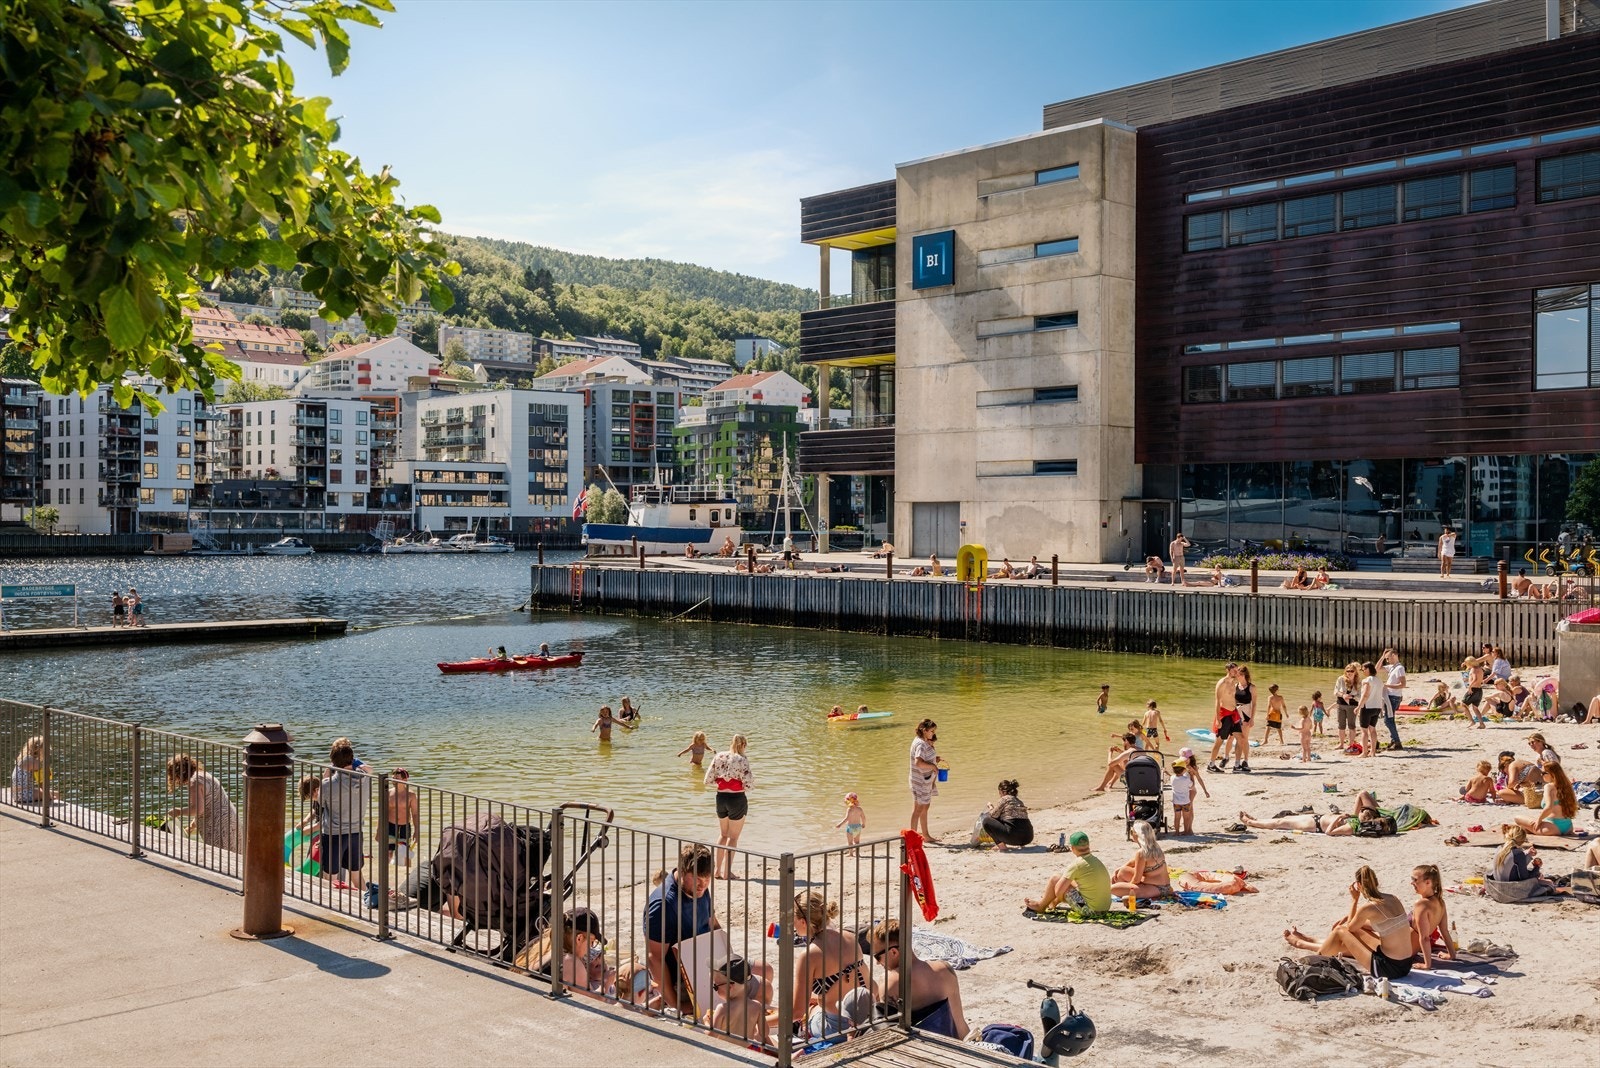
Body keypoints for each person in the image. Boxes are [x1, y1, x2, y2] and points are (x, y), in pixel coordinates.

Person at [1283, 865, 1413, 982]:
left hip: (1387, 968)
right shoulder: (1393, 898)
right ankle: (1309, 941)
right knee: (1357, 929)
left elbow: (1350, 928)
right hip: (1406, 965)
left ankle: (1314, 957)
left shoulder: (1369, 907)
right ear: (1376, 882)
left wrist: (1354, 900)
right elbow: (1372, 924)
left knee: (1341, 930)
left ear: (1358, 885)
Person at [786, 892, 872, 1042]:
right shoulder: (850, 936)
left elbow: (797, 1012)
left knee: (811, 1011)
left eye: (792, 919)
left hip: (836, 1029)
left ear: (803, 922)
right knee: (815, 1002)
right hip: (866, 1018)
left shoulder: (809, 955)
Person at [644, 843, 718, 1012]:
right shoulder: (663, 904)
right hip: (683, 977)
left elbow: (712, 922)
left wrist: (730, 960)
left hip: (708, 963)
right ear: (683, 871)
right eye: (698, 879)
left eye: (707, 880)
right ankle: (663, 1001)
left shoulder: (699, 888)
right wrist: (675, 1004)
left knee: (765, 973)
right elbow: (654, 958)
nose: (703, 885)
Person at [867, 918, 967, 1039]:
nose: (877, 963)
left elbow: (889, 1033)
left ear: (894, 952)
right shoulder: (945, 969)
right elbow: (960, 1024)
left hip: (924, 1051)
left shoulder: (891, 982)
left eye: (877, 957)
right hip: (956, 1045)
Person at [318, 739, 371, 888]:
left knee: (330, 877)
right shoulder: (365, 778)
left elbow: (320, 802)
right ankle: (365, 904)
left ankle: (330, 906)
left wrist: (325, 776)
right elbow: (367, 768)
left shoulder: (328, 784)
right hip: (356, 832)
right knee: (356, 875)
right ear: (352, 759)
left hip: (333, 834)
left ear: (333, 762)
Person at [165, 753, 239, 852]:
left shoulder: (194, 783)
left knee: (219, 857)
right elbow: (208, 803)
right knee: (235, 856)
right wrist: (192, 826)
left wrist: (178, 812)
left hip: (217, 825)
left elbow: (198, 809)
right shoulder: (204, 775)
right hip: (230, 819)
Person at [1025, 830, 1112, 914]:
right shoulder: (1095, 860)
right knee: (1069, 882)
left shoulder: (1077, 864)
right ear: (1088, 845)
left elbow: (1058, 891)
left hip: (1089, 910)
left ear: (1072, 848)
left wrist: (1060, 898)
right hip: (1105, 908)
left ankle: (1041, 906)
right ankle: (1052, 903)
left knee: (1056, 879)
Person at [704, 734, 753, 879]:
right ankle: (727, 872)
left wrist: (722, 782)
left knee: (723, 834)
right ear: (743, 745)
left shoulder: (719, 756)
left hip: (720, 798)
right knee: (733, 837)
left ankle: (717, 871)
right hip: (736, 798)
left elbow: (707, 779)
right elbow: (749, 784)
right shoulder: (742, 759)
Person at [1238, 789, 1382, 836]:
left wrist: (1338, 819)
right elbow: (1363, 794)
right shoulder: (1357, 819)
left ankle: (1251, 822)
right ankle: (1257, 820)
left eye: (1362, 812)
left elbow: (1330, 833)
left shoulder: (1351, 827)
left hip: (1316, 825)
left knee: (1280, 823)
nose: (1360, 811)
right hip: (1317, 818)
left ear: (1365, 819)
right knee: (1286, 818)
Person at [708, 954, 769, 1047]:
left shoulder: (722, 1009)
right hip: (749, 1050)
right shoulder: (757, 1006)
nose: (715, 989)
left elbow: (710, 1037)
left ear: (729, 987)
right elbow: (764, 1033)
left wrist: (706, 1022)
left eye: (715, 986)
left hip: (728, 1053)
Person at [1510, 763, 1579, 837]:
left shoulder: (1549, 786)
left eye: (1543, 773)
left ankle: (1530, 829)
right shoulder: (1566, 785)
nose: (1541, 775)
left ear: (1552, 774)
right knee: (1526, 826)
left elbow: (1549, 807)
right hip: (1568, 827)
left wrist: (1539, 820)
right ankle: (1528, 829)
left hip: (1553, 827)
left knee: (1517, 818)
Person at [1408, 864, 1456, 970]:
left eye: (1415, 880)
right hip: (1412, 949)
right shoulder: (1440, 902)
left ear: (1428, 882)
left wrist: (1427, 965)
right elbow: (1444, 931)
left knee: (1363, 929)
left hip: (1402, 950)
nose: (1412, 883)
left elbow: (1425, 938)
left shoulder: (1422, 905)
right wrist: (1451, 954)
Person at [1110, 820, 1171, 899]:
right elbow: (1135, 861)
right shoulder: (1155, 847)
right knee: (1123, 871)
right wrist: (1121, 868)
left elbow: (1136, 880)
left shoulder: (1141, 853)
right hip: (1165, 886)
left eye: (1132, 831)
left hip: (1156, 889)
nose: (1131, 834)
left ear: (1137, 834)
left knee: (1112, 889)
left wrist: (1129, 886)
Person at [1491, 826, 1558, 895]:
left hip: (1497, 884)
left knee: (1537, 875)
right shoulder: (1519, 854)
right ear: (1522, 840)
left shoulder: (1500, 848)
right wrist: (1537, 867)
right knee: (1549, 883)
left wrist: (1527, 854)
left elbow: (1513, 862)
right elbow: (1525, 878)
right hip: (1509, 888)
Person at [971, 779, 1033, 850]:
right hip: (1028, 837)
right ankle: (1021, 845)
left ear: (1003, 791)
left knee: (986, 821)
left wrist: (991, 807)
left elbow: (993, 815)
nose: (999, 795)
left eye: (999, 792)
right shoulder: (1019, 801)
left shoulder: (1004, 799)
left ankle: (1002, 847)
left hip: (1014, 837)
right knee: (1008, 821)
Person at [1207, 662, 1244, 773]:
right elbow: (1217, 701)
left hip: (1234, 713)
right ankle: (1211, 765)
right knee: (1219, 741)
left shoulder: (1234, 682)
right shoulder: (1222, 683)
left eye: (1237, 670)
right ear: (1228, 670)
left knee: (1241, 738)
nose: (1236, 672)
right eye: (1234, 670)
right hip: (1224, 715)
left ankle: (1237, 765)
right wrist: (1218, 719)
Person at [908, 719, 940, 842]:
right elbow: (918, 762)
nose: (933, 733)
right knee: (918, 809)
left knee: (925, 807)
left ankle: (925, 835)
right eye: (931, 731)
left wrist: (933, 760)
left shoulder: (922, 741)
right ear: (924, 730)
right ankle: (913, 838)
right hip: (920, 781)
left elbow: (923, 759)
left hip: (923, 780)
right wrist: (933, 766)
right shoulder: (920, 744)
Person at [386, 767, 418, 868]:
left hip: (404, 827)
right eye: (393, 777)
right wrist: (379, 831)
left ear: (405, 780)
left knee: (405, 854)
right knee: (388, 853)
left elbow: (415, 813)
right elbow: (383, 813)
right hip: (390, 826)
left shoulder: (411, 795)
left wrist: (417, 830)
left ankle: (407, 876)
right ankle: (385, 876)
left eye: (397, 778)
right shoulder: (388, 793)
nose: (394, 780)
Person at [1380, 647, 1407, 752]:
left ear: (1394, 655)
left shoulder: (1400, 668)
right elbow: (1376, 669)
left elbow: (1403, 684)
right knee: (1389, 719)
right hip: (1390, 696)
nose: (1387, 660)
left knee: (1388, 720)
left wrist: (1387, 685)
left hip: (1393, 697)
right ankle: (1394, 740)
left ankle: (1397, 742)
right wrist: (1382, 657)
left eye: (1388, 658)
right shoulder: (1392, 667)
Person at [1357, 660, 1384, 759]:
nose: (1362, 671)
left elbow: (1365, 694)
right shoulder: (1379, 681)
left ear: (1368, 669)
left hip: (1367, 707)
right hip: (1377, 707)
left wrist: (1358, 707)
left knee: (1364, 731)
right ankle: (1373, 752)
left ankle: (1364, 752)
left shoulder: (1367, 680)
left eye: (1363, 669)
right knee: (1372, 730)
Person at [11, 736, 49, 805]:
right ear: (39, 749)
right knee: (55, 794)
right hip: (25, 795)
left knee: (51, 793)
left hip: (17, 794)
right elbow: (41, 783)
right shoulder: (35, 762)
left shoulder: (24, 758)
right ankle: (47, 811)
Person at [1233, 665, 1258, 765]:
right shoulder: (1235, 686)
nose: (1236, 676)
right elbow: (1232, 701)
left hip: (1246, 714)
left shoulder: (1252, 687)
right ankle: (1237, 761)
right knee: (1238, 738)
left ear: (1243, 675)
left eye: (1238, 674)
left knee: (1244, 738)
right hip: (1236, 714)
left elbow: (1254, 704)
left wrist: (1252, 718)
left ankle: (1246, 759)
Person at [1334, 662, 1360, 749]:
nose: (1349, 672)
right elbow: (1335, 691)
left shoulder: (1359, 682)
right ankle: (1341, 744)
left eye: (1351, 671)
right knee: (1341, 725)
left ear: (1355, 672)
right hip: (1341, 704)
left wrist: (1352, 696)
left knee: (1351, 725)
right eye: (1347, 671)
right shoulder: (1340, 679)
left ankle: (1351, 744)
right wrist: (1343, 695)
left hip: (1352, 706)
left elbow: (1361, 695)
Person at [1169, 760, 1198, 834]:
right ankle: (1186, 831)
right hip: (1185, 801)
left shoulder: (1172, 778)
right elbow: (1192, 786)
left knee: (1177, 817)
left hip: (1176, 802)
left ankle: (1177, 832)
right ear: (1184, 770)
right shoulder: (1186, 779)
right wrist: (1191, 776)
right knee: (1186, 817)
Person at [1462, 656, 1487, 728]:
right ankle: (1481, 724)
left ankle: (1472, 721)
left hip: (1474, 689)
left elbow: (1475, 679)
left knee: (1463, 704)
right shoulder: (1480, 669)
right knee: (1475, 708)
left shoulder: (1473, 669)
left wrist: (1469, 687)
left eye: (1466, 663)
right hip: (1479, 690)